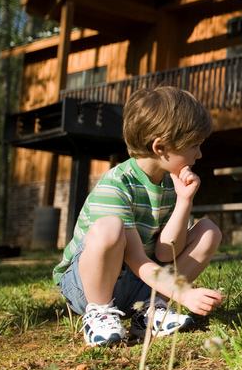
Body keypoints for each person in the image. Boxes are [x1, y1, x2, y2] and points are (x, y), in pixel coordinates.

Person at [53, 87, 223, 347]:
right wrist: (184, 292)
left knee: (209, 231)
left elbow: (167, 253)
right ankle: (99, 312)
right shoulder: (116, 184)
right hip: (88, 284)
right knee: (110, 228)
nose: (199, 154)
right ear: (161, 147)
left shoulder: (169, 183)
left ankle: (152, 310)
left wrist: (184, 201)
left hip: (138, 281)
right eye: (194, 145)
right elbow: (138, 260)